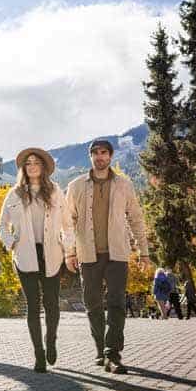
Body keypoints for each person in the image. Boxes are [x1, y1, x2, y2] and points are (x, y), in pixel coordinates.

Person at [63, 139, 150, 374]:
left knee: (117, 303)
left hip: (117, 253)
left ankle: (113, 353)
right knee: (92, 304)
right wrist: (69, 252)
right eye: (95, 153)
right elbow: (67, 222)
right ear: (90, 157)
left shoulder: (124, 185)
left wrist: (144, 252)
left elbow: (136, 219)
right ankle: (101, 349)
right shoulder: (75, 186)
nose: (100, 157)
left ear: (110, 156)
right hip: (87, 254)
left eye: (104, 153)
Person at [0, 147, 65, 373]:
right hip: (25, 255)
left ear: (43, 167)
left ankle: (51, 341)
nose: (32, 166)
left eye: (36, 162)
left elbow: (67, 222)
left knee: (52, 305)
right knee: (33, 307)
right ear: (24, 169)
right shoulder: (14, 194)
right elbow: (1, 225)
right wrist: (11, 244)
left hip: (51, 253)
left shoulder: (55, 191)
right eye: (28, 163)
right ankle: (39, 355)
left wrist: (67, 246)